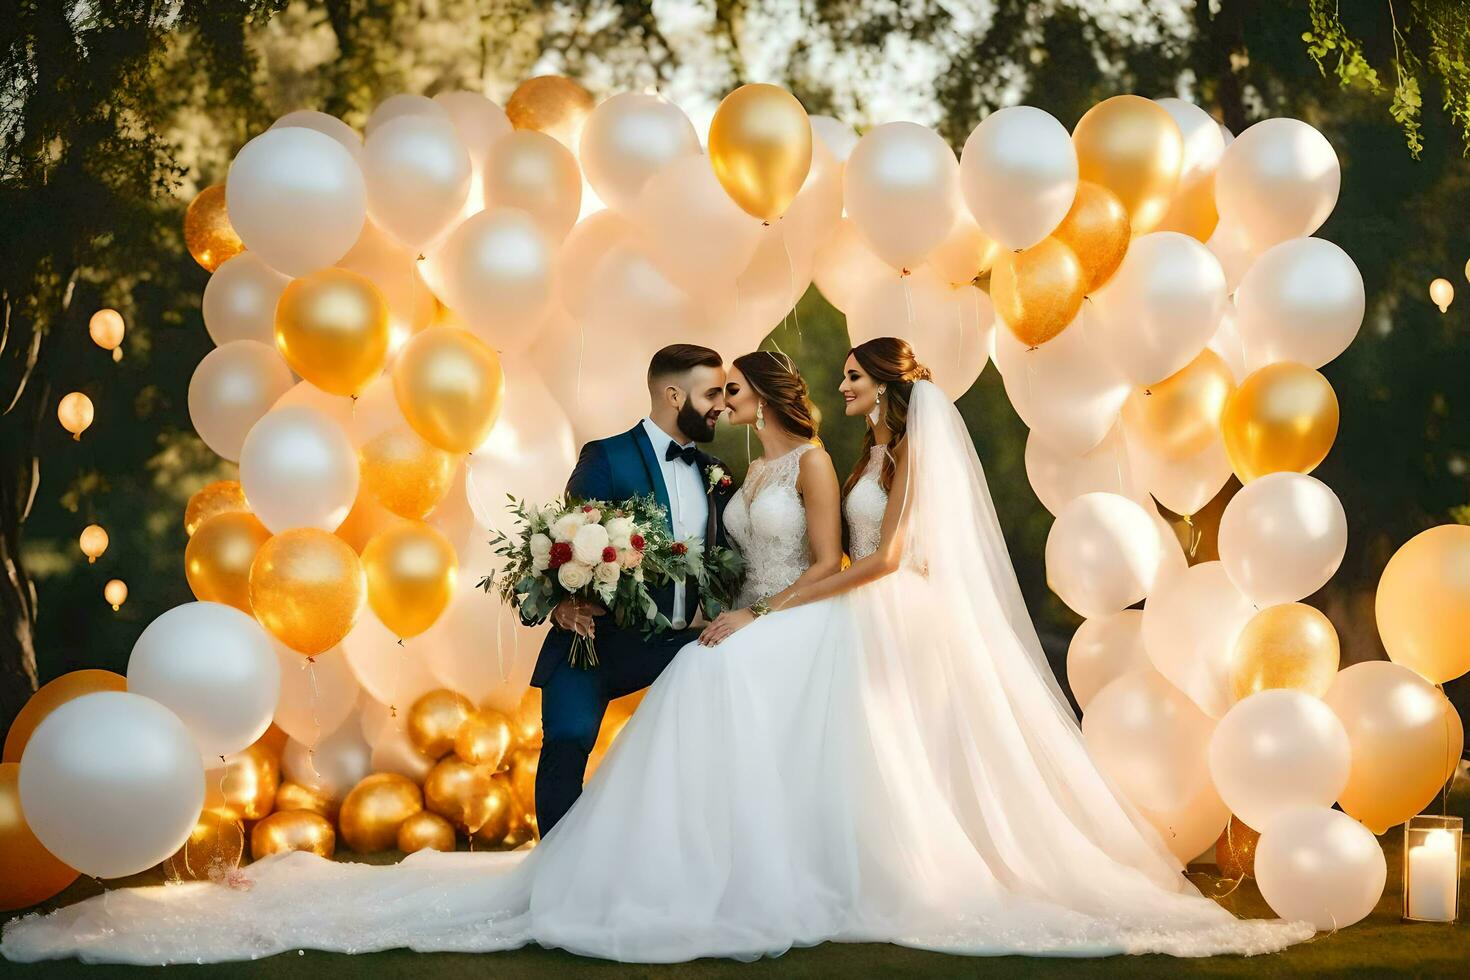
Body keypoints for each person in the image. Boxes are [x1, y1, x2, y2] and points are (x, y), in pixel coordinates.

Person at [0, 340, 1315, 966]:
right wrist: (606, 600)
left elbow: (840, 561)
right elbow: (662, 547)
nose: (734, 405)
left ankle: (719, 865)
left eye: (759, 390)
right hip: (714, 622)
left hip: (812, 617)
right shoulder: (732, 459)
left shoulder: (850, 469)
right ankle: (619, 860)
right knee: (686, 695)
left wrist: (759, 613)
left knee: (725, 692)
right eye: (717, 394)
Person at [532, 343, 736, 833]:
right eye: (711, 393)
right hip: (597, 642)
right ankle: (557, 881)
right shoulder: (607, 457)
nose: (722, 404)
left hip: (678, 643)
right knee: (567, 737)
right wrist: (562, 607)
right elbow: (566, 540)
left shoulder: (715, 474)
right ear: (672, 394)